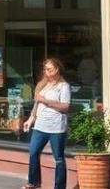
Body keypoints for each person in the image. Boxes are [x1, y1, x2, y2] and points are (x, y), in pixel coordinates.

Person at [22, 58, 71, 189]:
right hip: (40, 125)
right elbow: (37, 104)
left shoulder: (63, 86)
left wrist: (45, 100)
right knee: (33, 152)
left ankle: (59, 187)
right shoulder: (42, 84)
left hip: (56, 127)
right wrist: (31, 119)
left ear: (57, 69)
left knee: (59, 158)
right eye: (45, 69)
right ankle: (34, 182)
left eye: (49, 69)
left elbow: (65, 106)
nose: (47, 72)